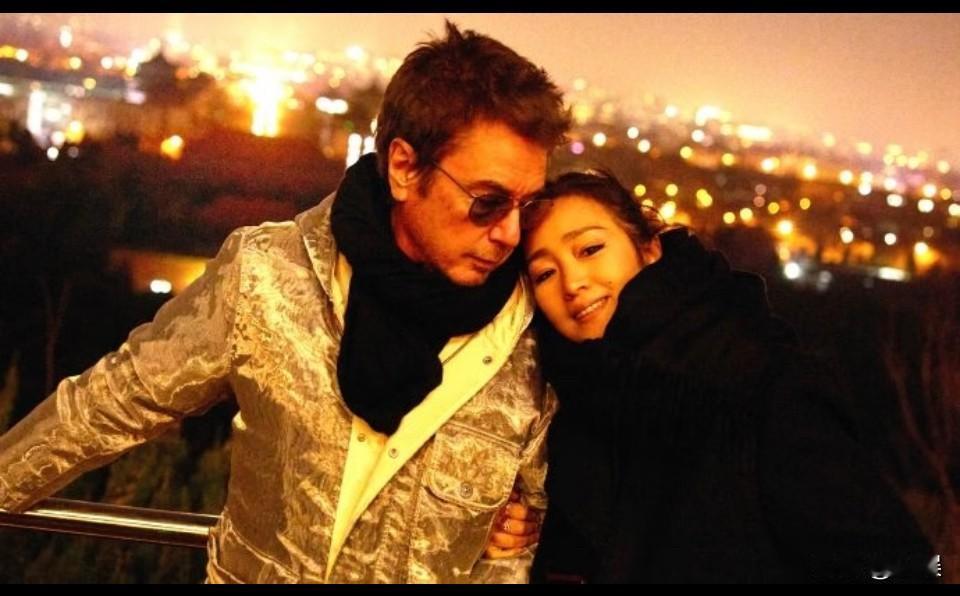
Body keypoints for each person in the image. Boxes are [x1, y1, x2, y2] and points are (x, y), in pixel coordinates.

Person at [0, 22, 570, 583]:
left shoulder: (531, 336)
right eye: (487, 202)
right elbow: (113, 401)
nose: (510, 234)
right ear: (403, 167)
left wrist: (526, 533)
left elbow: (523, 546)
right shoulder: (269, 277)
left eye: (528, 206)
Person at [517, 170, 936, 583]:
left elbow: (904, 566)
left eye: (590, 249)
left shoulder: (758, 383)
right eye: (545, 274)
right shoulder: (567, 402)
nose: (572, 283)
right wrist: (524, 532)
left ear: (649, 248)